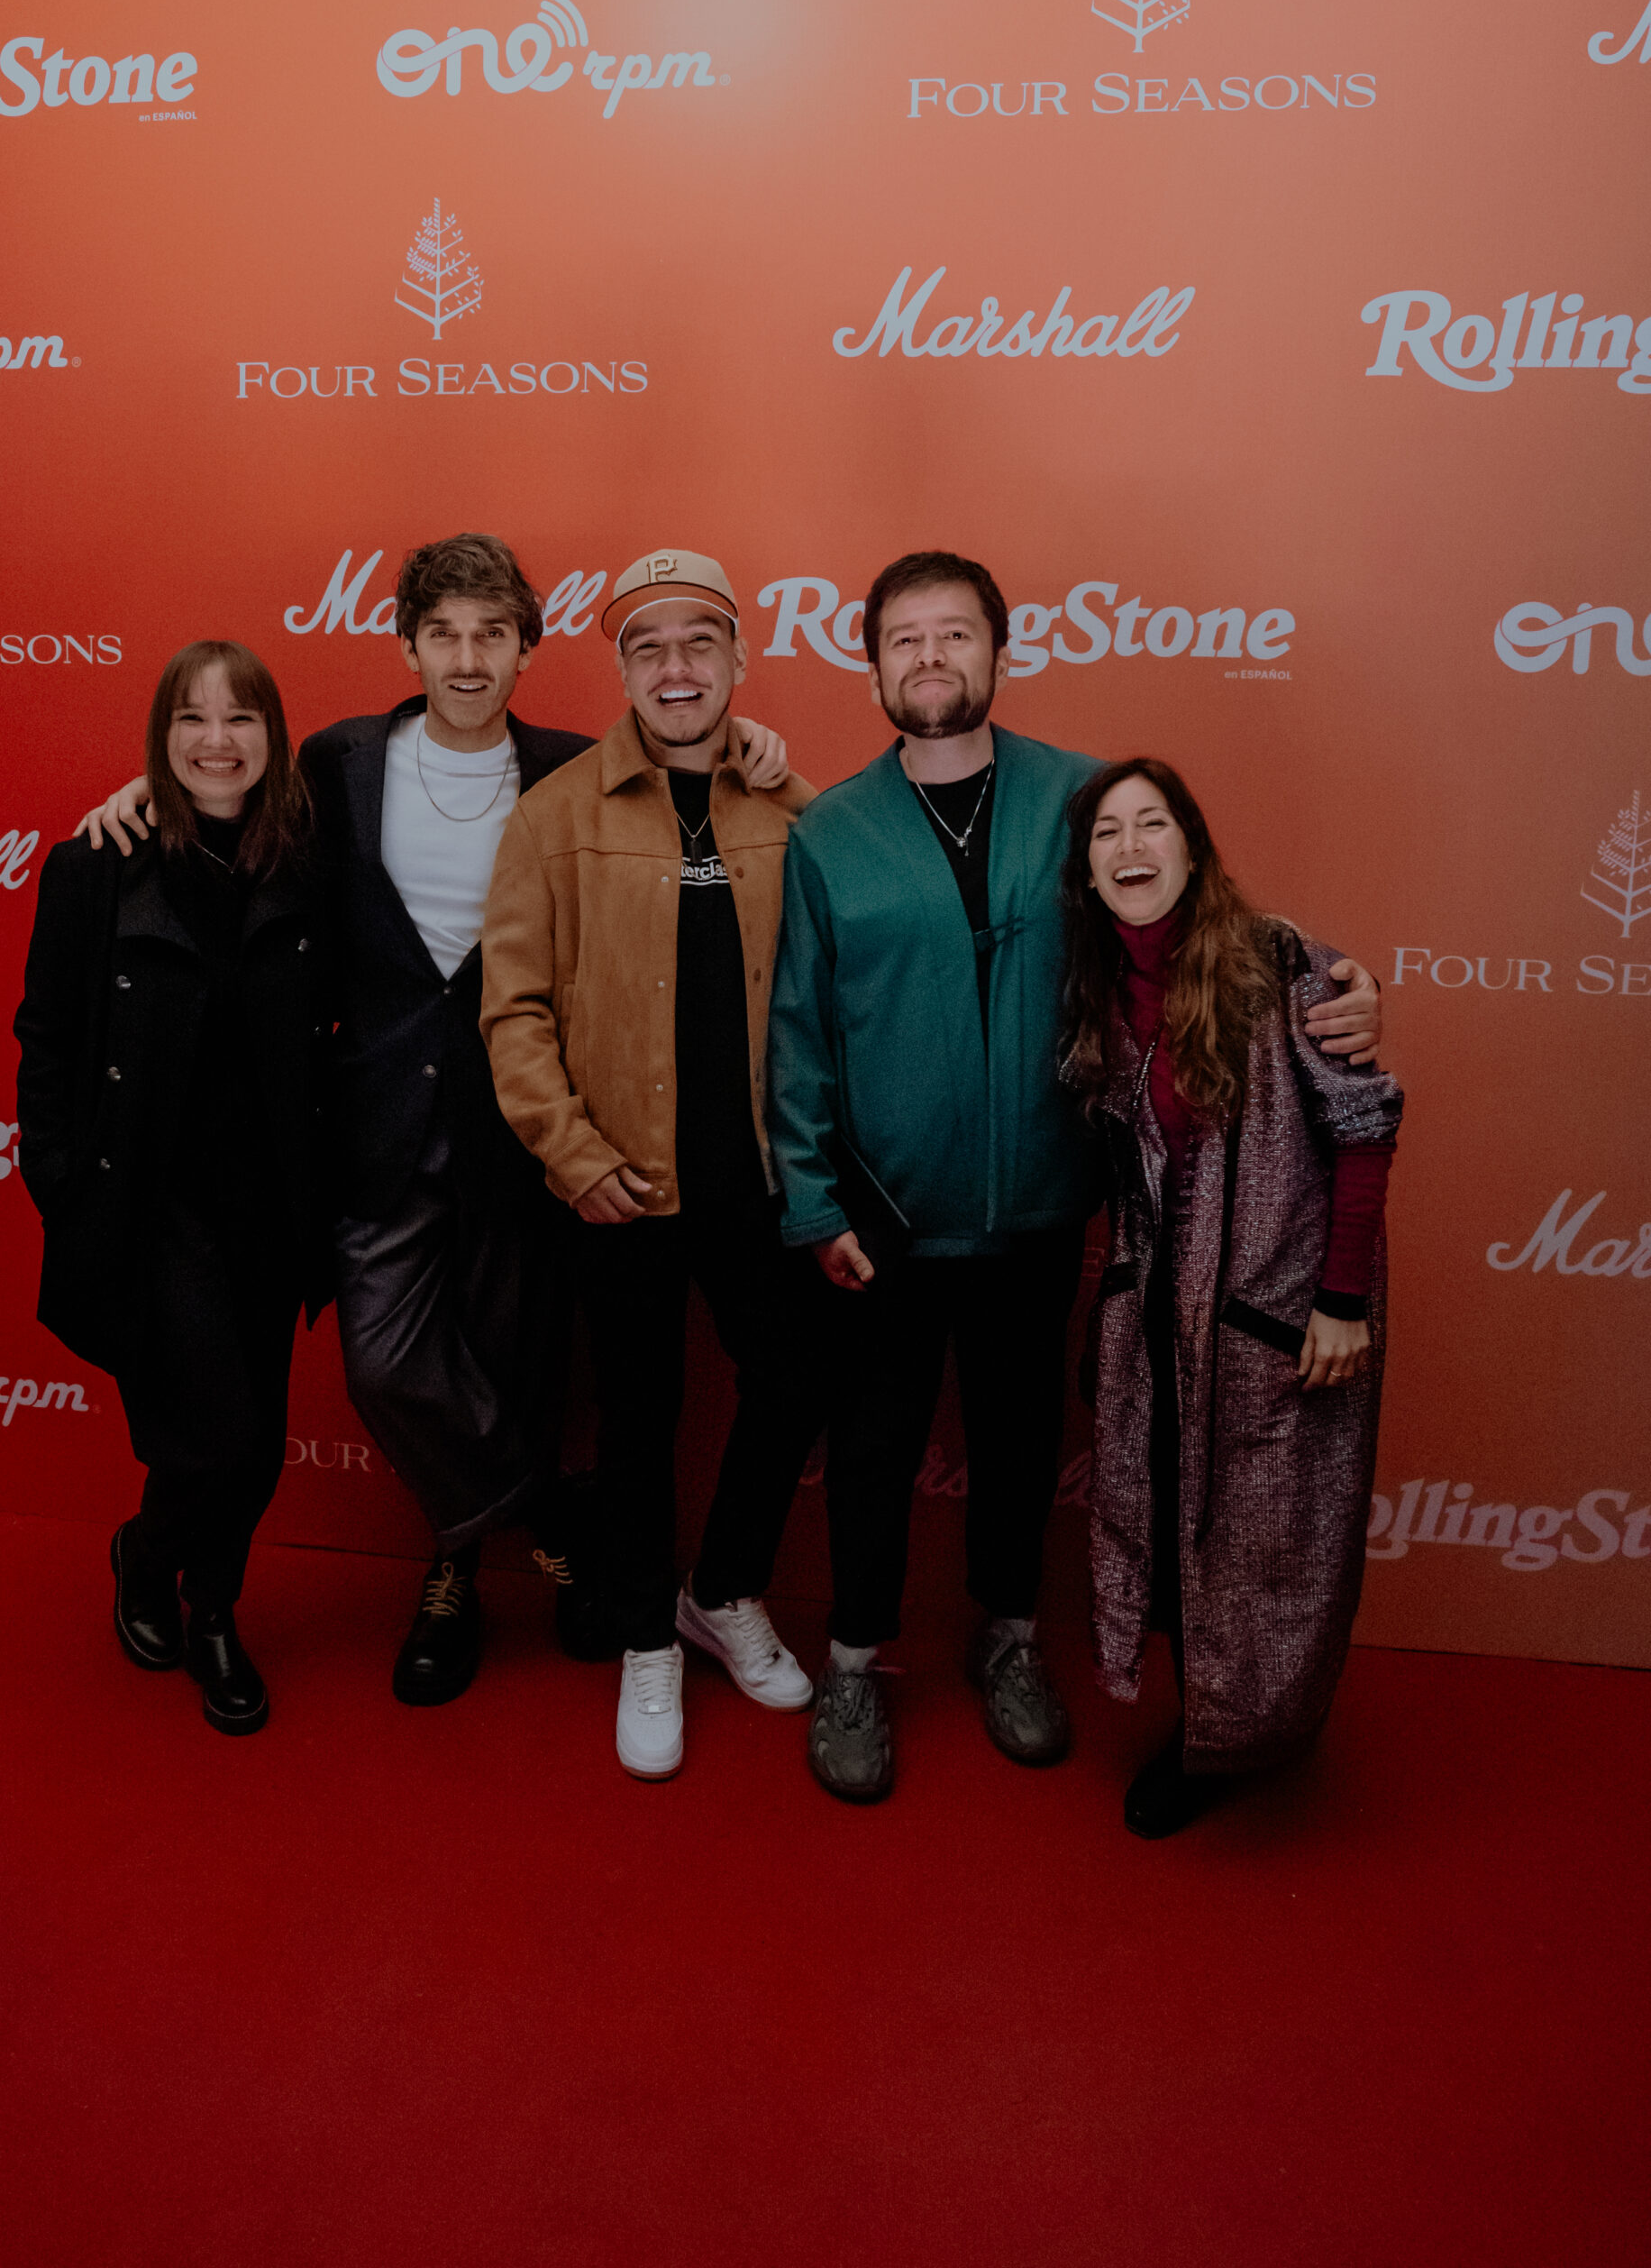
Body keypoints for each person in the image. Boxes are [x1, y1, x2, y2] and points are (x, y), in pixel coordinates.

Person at [78, 535, 794, 1708]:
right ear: (407, 645)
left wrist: (750, 744)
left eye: (491, 635)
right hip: (372, 1122)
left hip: (525, 1124)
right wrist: (141, 794)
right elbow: (230, 806)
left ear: (525, 649)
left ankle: (451, 1578)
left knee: (507, 1360)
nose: (467, 659)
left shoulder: (575, 769)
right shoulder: (340, 760)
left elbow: (689, 773)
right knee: (387, 1362)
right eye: (444, 634)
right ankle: (553, 1516)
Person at [766, 552, 1385, 1803]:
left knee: (1017, 1444)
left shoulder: (1079, 800)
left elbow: (1189, 929)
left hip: (1044, 1210)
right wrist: (814, 1201)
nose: (929, 656)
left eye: (954, 633)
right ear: (872, 664)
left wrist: (1337, 982)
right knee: (873, 1451)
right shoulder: (828, 830)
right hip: (882, 1218)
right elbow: (797, 1032)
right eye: (903, 638)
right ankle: (854, 1660)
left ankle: (1006, 1640)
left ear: (999, 650)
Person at [481, 549, 826, 1779]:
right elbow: (513, 1010)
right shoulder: (555, 814)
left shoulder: (789, 808)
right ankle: (643, 1635)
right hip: (617, 1183)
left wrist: (790, 777)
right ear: (621, 670)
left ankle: (718, 1592)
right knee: (636, 1421)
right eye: (647, 647)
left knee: (794, 1383)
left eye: (699, 642)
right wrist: (569, 1153)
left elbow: (847, 958)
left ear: (738, 659)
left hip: (762, 1181)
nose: (676, 668)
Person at [1060, 759, 1401, 1837]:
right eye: (1106, 832)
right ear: (1085, 871)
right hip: (1160, 1318)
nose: (1130, 847)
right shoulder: (1101, 993)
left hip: (1281, 1318)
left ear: (1192, 847)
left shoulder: (1281, 966)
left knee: (1270, 1540)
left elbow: (1361, 1130)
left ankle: (1239, 1739)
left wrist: (1338, 1301)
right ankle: (1210, 1714)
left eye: (1151, 823)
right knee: (1173, 1522)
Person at [14, 642, 330, 1734]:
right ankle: (164, 1567)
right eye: (191, 719)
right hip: (149, 1205)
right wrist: (58, 1182)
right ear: (160, 738)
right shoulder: (94, 865)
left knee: (256, 1437)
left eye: (240, 717)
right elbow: (47, 1036)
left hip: (270, 1202)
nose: (216, 740)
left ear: (273, 736)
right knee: (213, 1437)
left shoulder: (310, 859)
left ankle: (203, 1600)